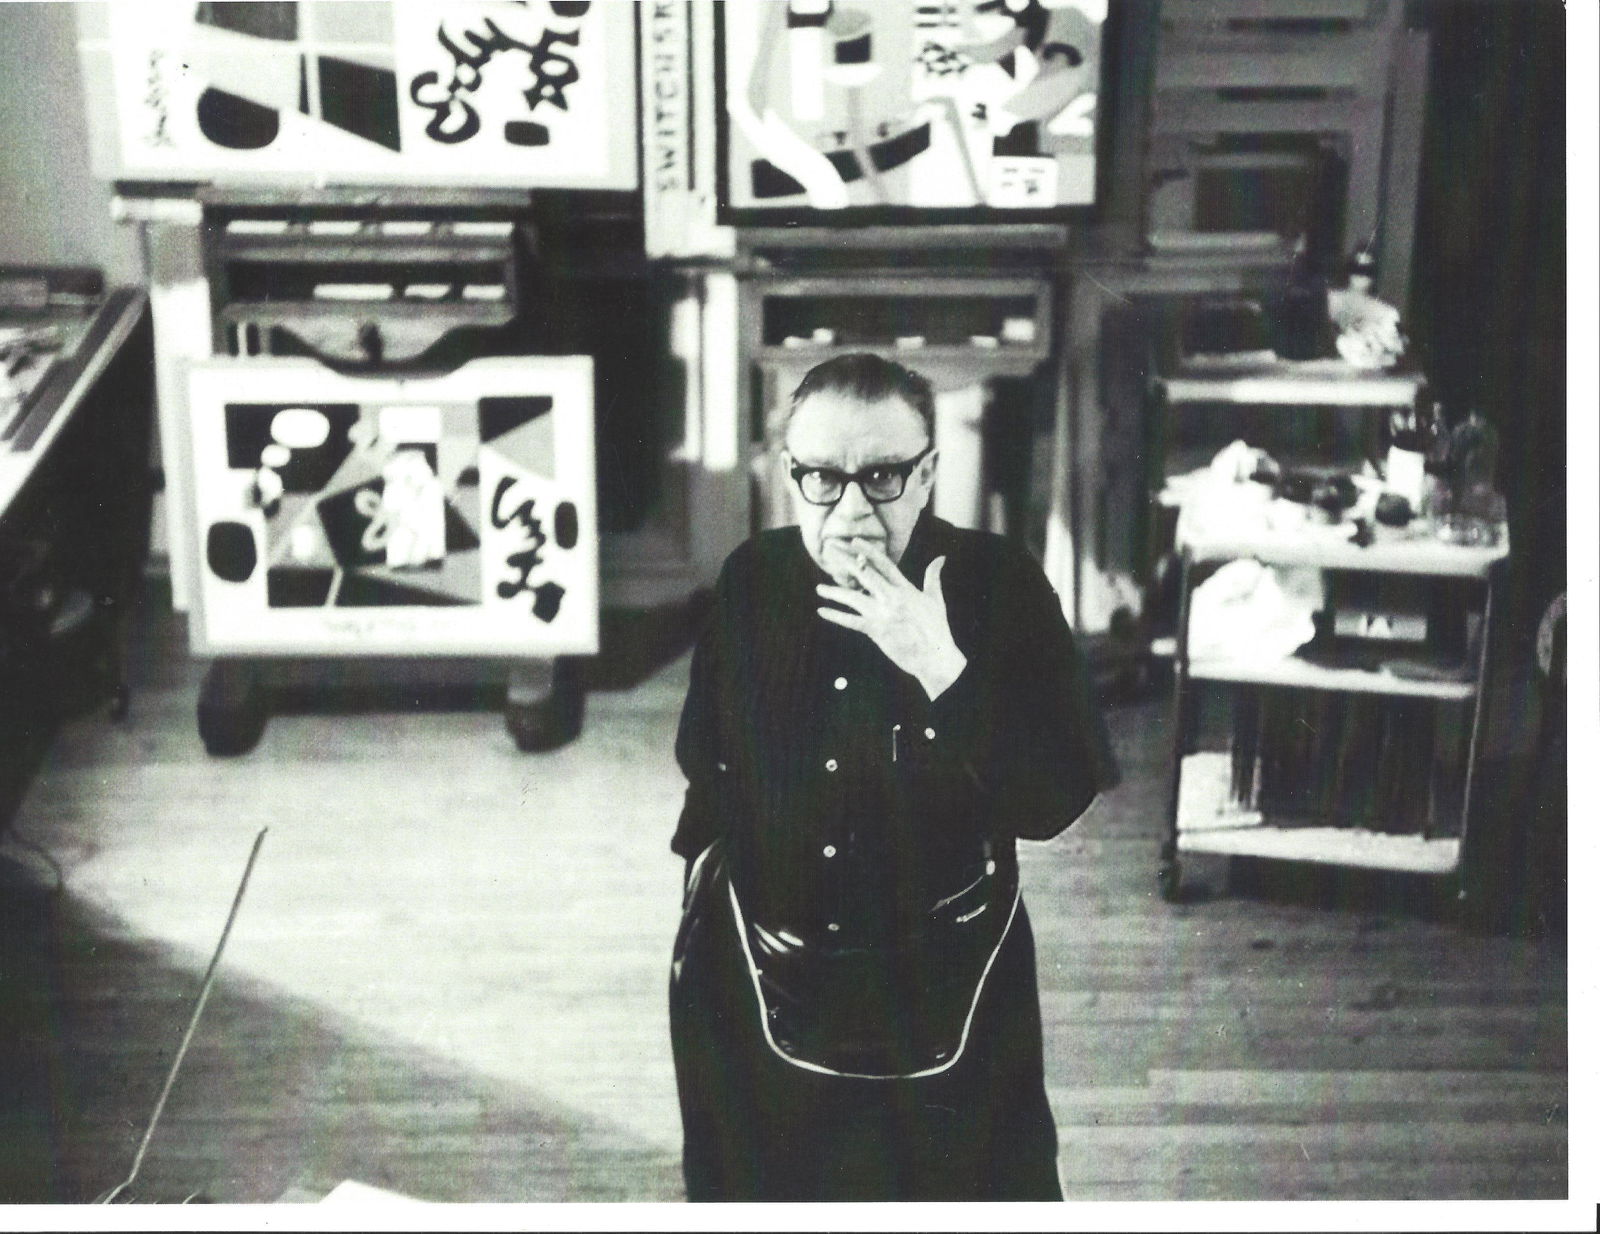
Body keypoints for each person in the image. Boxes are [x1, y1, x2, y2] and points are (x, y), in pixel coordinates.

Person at [668, 353, 1117, 1201]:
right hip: (758, 975)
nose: (852, 512)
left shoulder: (1000, 585)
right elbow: (708, 767)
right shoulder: (751, 581)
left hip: (950, 983)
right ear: (788, 475)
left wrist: (941, 666)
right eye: (822, 479)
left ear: (929, 476)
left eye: (882, 477)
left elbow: (1055, 798)